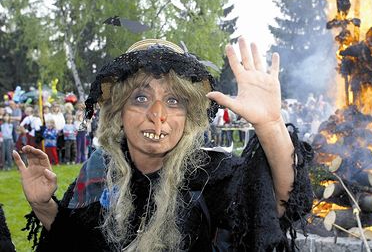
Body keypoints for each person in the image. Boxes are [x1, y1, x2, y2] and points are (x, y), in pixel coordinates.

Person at [13, 37, 312, 251]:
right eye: (141, 98)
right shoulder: (97, 171)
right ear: (118, 113)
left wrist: (271, 125)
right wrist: (42, 205)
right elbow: (75, 240)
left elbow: (275, 204)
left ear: (189, 115)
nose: (158, 116)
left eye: (173, 101)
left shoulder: (212, 174)